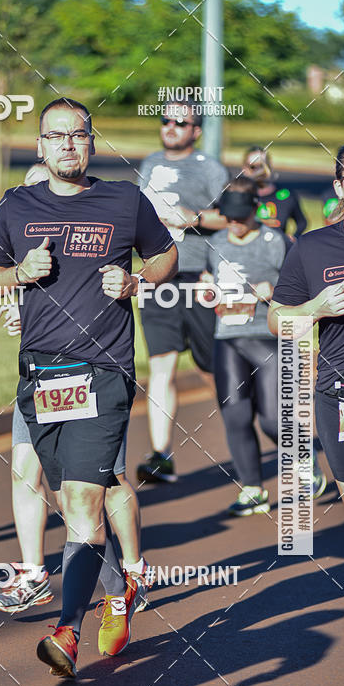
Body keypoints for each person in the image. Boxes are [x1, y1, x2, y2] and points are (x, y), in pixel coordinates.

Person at [0, 97, 177, 677]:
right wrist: (17, 274)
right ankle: (119, 591)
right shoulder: (18, 204)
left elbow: (167, 254)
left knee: (87, 503)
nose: (68, 144)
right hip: (41, 373)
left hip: (104, 368)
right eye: (56, 136)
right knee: (71, 502)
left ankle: (66, 631)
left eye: (79, 134)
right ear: (40, 146)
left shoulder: (123, 199)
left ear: (92, 142)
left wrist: (137, 278)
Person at [269, 138, 344, 684]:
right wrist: (313, 309)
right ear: (339, 187)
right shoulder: (311, 249)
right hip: (336, 397)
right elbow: (278, 321)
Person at [0, 300, 150, 616]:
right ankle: (34, 575)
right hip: (42, 372)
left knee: (110, 480)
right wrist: (23, 310)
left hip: (95, 371)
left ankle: (135, 571)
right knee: (23, 470)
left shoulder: (95, 252)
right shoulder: (36, 251)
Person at [203, 176, 325, 515]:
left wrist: (275, 287)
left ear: (256, 210)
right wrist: (206, 287)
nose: (235, 224)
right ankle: (253, 490)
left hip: (270, 337)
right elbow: (206, 279)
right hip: (227, 336)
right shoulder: (215, 243)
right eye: (229, 217)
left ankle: (304, 462)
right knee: (236, 415)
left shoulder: (276, 242)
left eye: (241, 217)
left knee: (273, 419)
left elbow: (305, 288)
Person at [137, 104, 229, 483]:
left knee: (211, 367)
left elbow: (234, 217)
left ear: (196, 131)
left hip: (198, 275)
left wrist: (192, 218)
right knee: (162, 363)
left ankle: (244, 434)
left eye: (181, 123)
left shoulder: (209, 167)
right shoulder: (148, 163)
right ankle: (161, 455)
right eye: (166, 121)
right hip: (157, 276)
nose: (171, 127)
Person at [242, 146, 307, 238]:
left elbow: (302, 222)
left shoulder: (286, 195)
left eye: (263, 165)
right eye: (253, 167)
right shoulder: (238, 195)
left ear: (270, 166)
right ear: (244, 169)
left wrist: (294, 237)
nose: (260, 171)